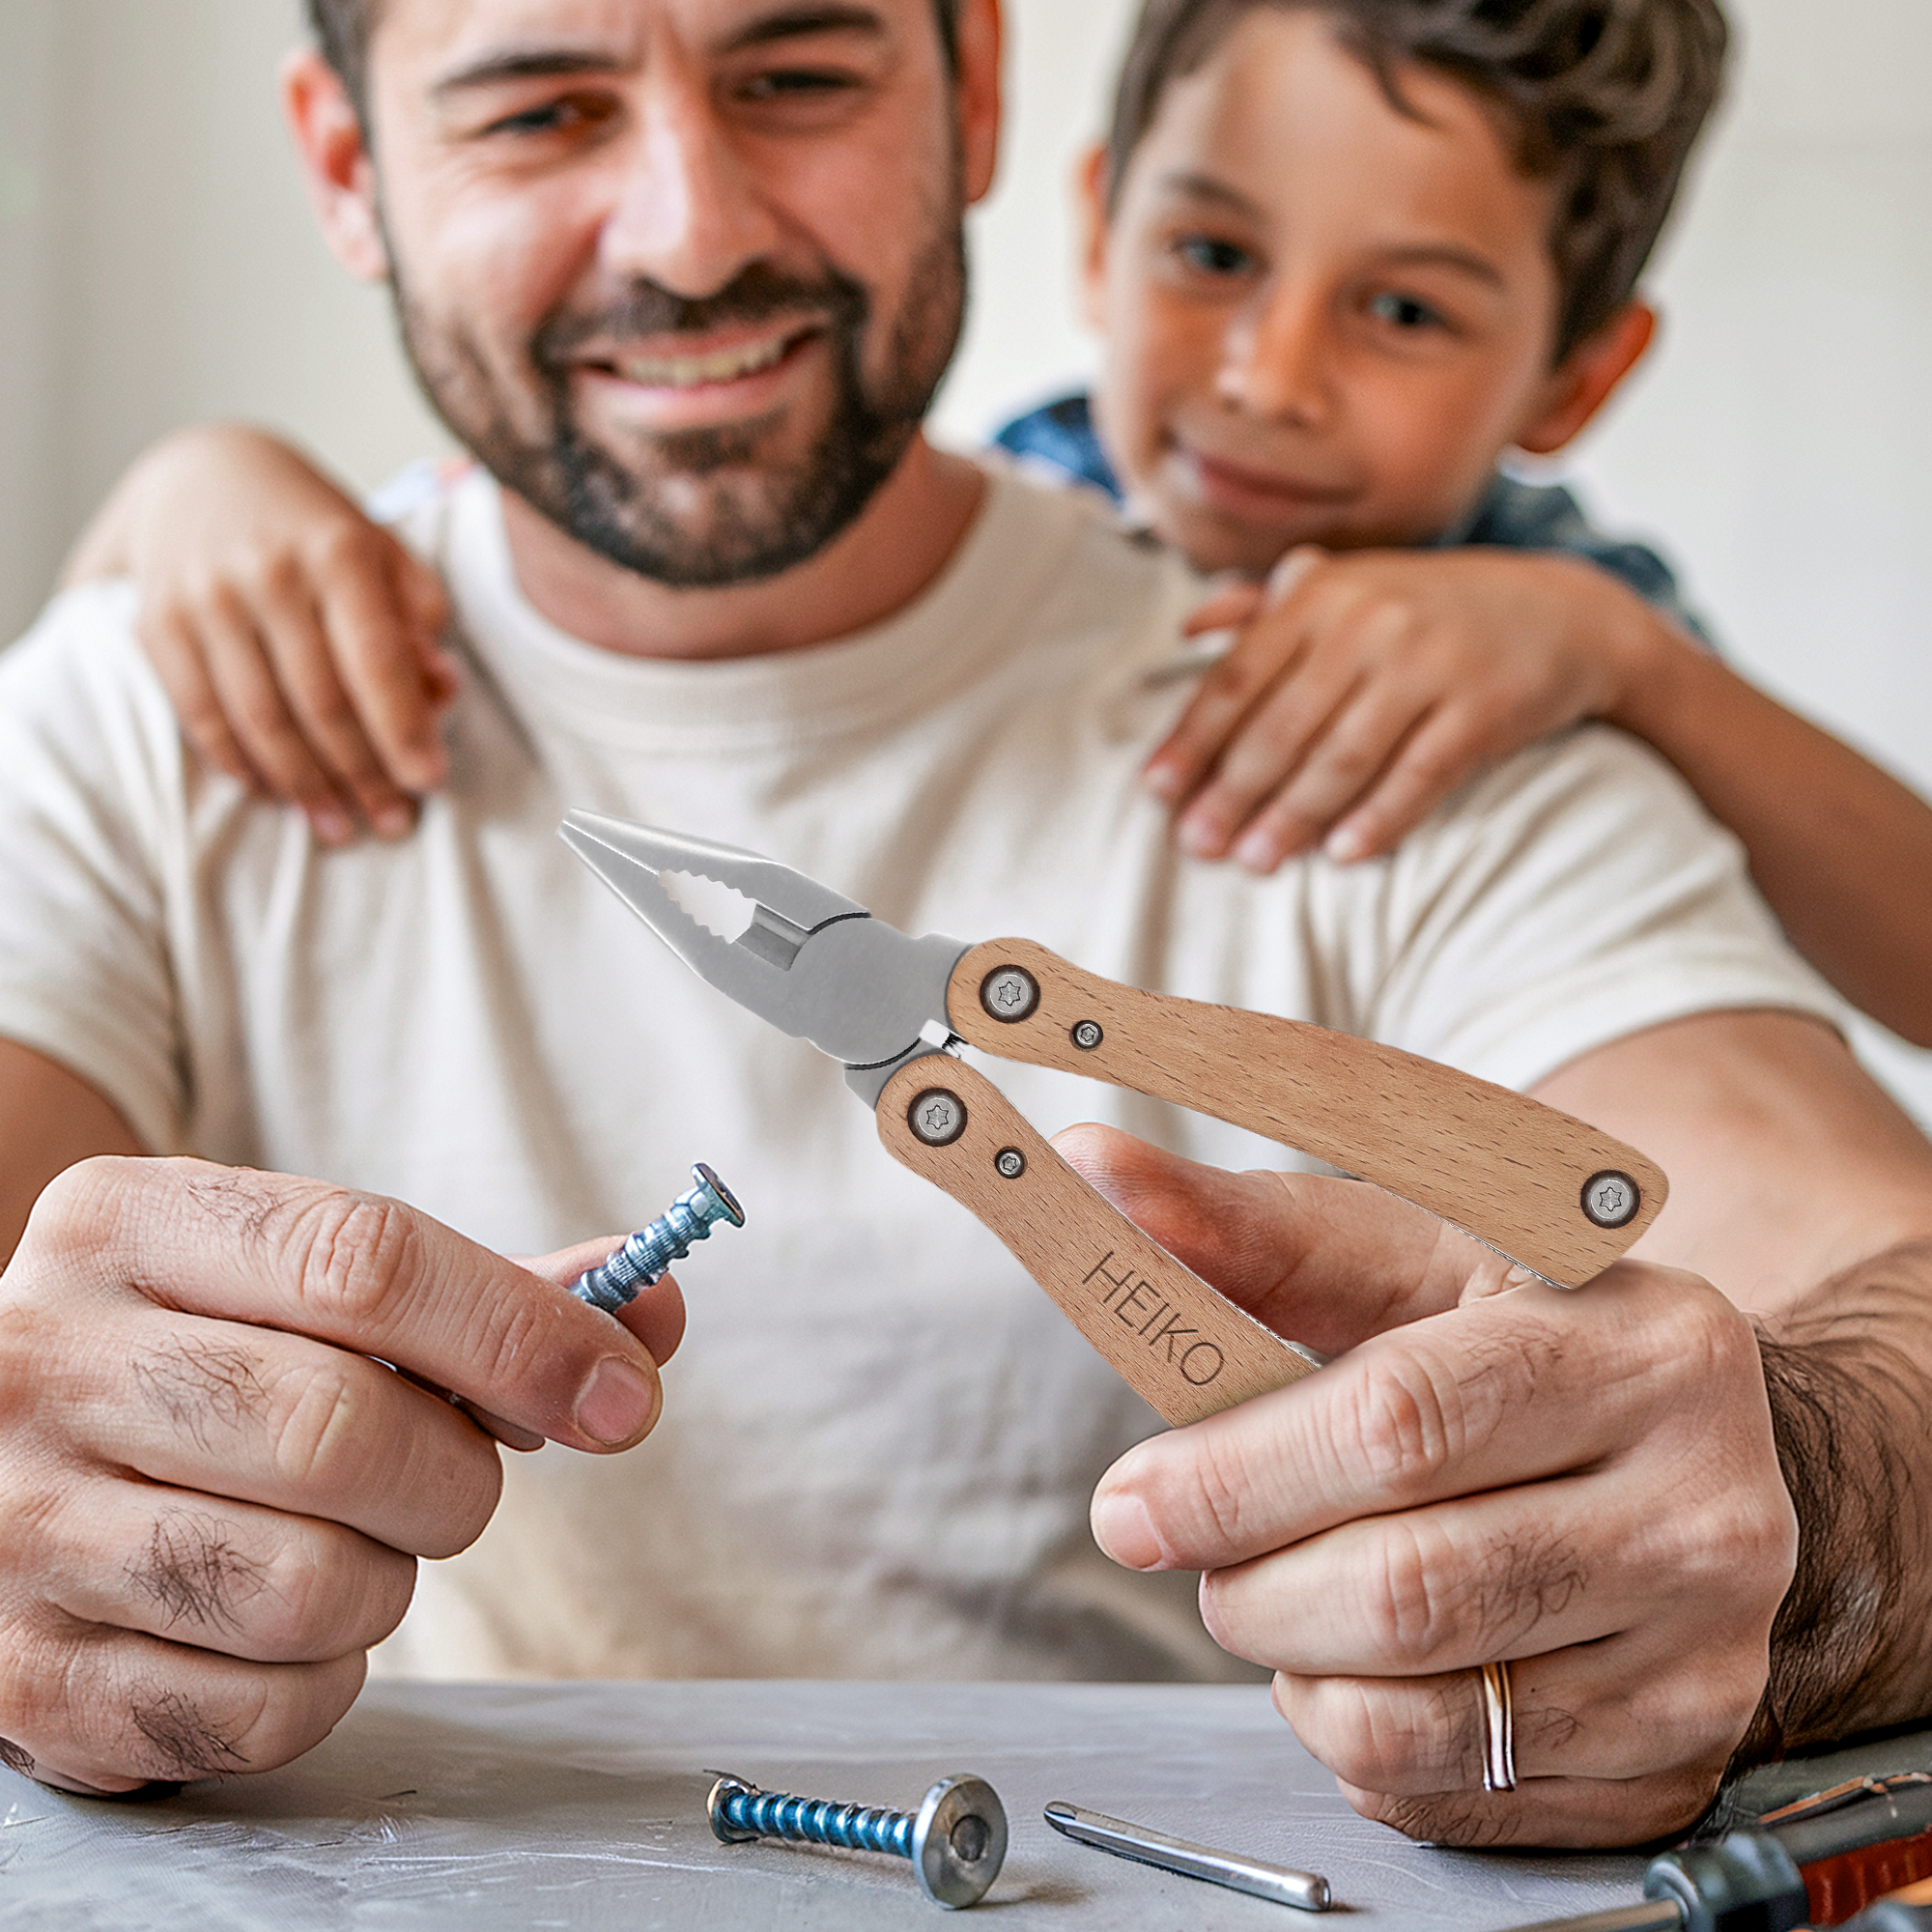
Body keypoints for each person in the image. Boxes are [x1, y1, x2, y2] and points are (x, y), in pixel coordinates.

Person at [3, 0, 1930, 1851]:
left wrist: (1795, 1525)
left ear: (977, 85)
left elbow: (1885, 1296)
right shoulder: (147, 711)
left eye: (796, 72)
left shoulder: (1389, 717)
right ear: (349, 164)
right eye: (539, 107)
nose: (690, 236)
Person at [64, 0, 1932, 1045]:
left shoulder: (1556, 617)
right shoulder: (990, 496)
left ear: (1578, 376)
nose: (1267, 380)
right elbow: (439, 554)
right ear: (1098, 228)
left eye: (1404, 311)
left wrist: (1624, 662)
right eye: (1212, 257)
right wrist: (179, 489)